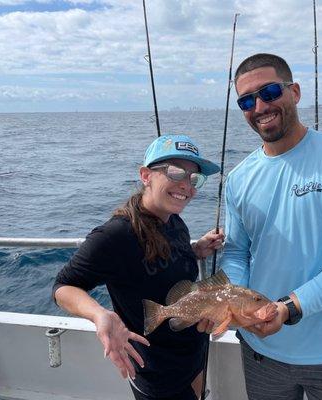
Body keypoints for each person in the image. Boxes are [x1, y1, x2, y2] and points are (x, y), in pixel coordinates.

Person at [221, 53, 322, 399]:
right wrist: (235, 301)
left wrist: (288, 308)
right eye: (247, 100)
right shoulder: (237, 179)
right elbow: (236, 251)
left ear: (294, 91)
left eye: (270, 92)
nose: (260, 105)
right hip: (259, 352)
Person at [53, 134, 224, 400]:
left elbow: (160, 268)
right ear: (146, 176)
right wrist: (99, 315)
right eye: (176, 172)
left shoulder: (175, 221)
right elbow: (63, 287)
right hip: (156, 372)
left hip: (193, 353)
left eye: (194, 179)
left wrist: (196, 250)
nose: (187, 186)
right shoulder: (115, 235)